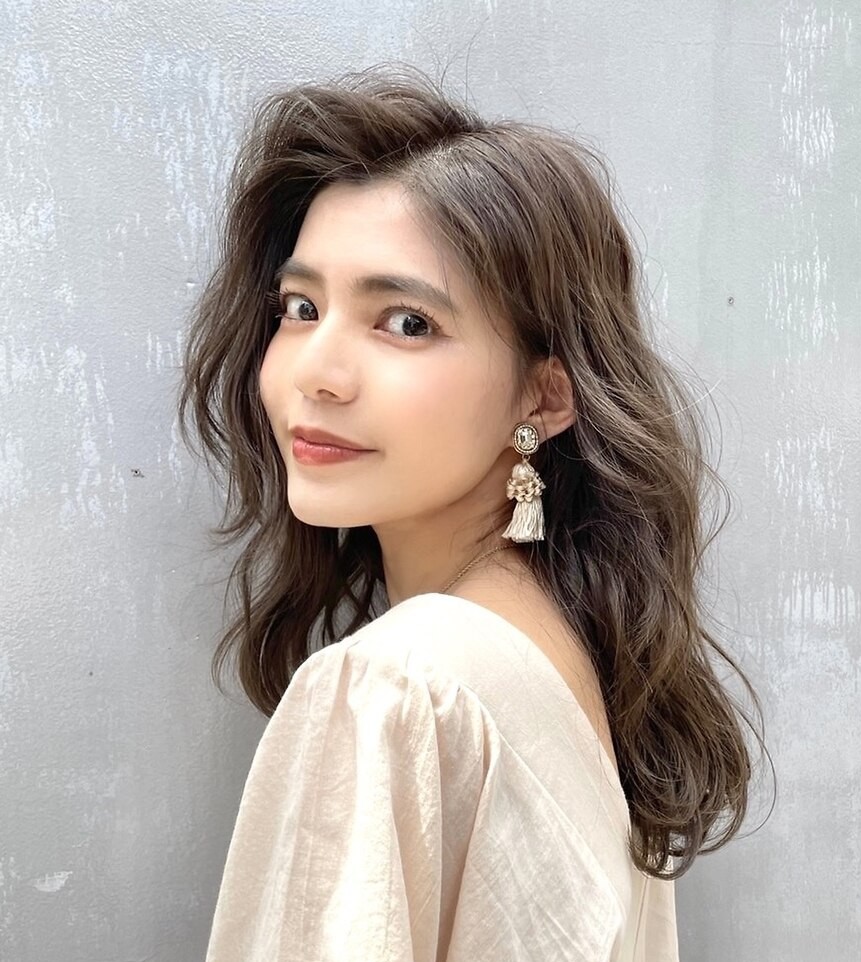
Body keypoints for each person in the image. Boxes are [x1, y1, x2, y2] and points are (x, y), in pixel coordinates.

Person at [176, 63, 764, 961]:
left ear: (544, 396)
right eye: (300, 307)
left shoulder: (397, 690)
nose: (316, 372)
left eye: (406, 322)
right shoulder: (569, 663)